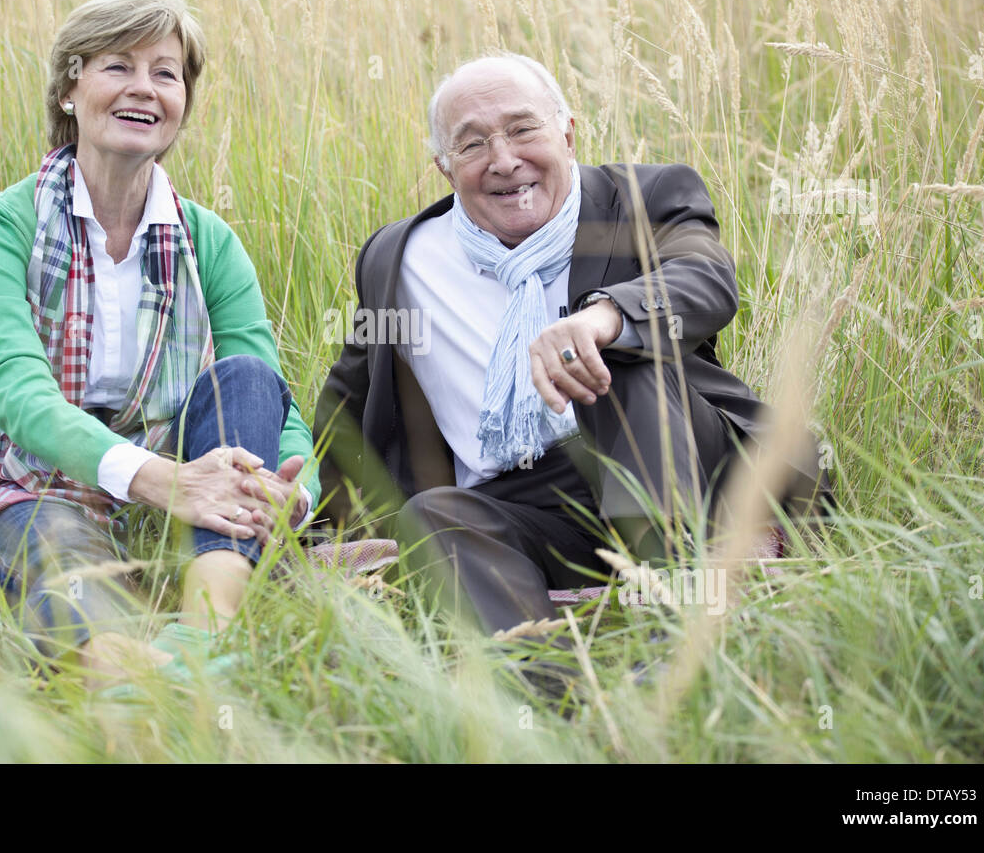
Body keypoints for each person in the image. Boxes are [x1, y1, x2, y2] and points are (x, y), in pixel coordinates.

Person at [313, 52, 830, 635]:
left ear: (567, 130)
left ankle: (671, 623)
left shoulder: (644, 197)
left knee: (611, 362)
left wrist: (604, 318)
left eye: (522, 129)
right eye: (473, 144)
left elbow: (706, 283)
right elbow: (348, 403)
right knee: (432, 514)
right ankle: (538, 681)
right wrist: (297, 504)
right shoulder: (401, 259)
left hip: (675, 458)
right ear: (443, 166)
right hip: (525, 505)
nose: (504, 161)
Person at [0, 0, 318, 689]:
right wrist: (160, 482)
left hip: (179, 472)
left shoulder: (208, 240)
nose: (145, 88)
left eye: (166, 73)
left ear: (183, 104)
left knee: (245, 384)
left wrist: (297, 489)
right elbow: (19, 399)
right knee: (63, 565)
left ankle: (208, 629)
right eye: (117, 66)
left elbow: (268, 397)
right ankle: (123, 678)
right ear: (70, 89)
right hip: (31, 481)